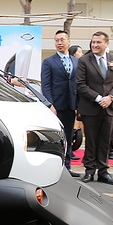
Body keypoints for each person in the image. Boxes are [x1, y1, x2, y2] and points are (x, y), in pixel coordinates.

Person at [75, 31, 113, 185]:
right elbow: (80, 84)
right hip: (90, 107)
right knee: (91, 140)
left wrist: (110, 97)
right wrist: (98, 98)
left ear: (106, 44)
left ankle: (103, 171)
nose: (95, 45)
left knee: (105, 140)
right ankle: (89, 171)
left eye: (98, 42)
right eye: (93, 42)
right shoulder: (84, 61)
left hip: (109, 107)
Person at [41, 30, 80, 178]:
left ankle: (67, 167)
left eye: (62, 39)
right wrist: (50, 104)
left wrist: (79, 105)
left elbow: (78, 84)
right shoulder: (49, 61)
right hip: (56, 106)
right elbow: (46, 85)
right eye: (56, 40)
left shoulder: (76, 61)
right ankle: (54, 168)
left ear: (68, 41)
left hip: (71, 105)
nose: (59, 43)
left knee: (68, 137)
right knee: (56, 138)